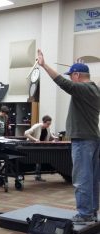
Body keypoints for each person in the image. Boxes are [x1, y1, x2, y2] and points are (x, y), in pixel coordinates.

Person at [37, 49, 100, 224]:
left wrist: (44, 65)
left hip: (83, 140)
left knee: (81, 178)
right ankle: (92, 212)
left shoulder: (83, 88)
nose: (71, 78)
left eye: (72, 75)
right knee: (92, 178)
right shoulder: (94, 89)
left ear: (77, 75)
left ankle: (85, 214)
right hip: (93, 138)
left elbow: (62, 83)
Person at [24, 115, 57, 181]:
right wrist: (35, 139)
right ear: (44, 122)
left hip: (40, 146)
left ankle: (38, 175)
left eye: (50, 124)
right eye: (47, 124)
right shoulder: (37, 126)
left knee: (40, 159)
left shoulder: (47, 128)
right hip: (31, 146)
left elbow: (50, 135)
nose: (48, 125)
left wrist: (54, 138)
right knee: (36, 160)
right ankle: (30, 173)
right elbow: (26, 133)